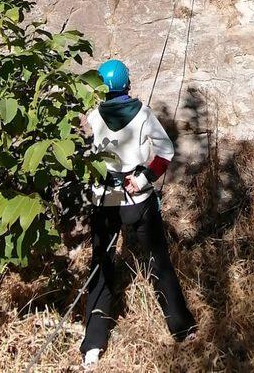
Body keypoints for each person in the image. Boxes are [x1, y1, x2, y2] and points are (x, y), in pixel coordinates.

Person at [80, 59, 196, 368]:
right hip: (138, 197)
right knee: (158, 260)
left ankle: (92, 344)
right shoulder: (143, 115)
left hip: (105, 197)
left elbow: (87, 155)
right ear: (127, 84)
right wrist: (143, 178)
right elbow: (165, 152)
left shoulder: (93, 116)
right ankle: (182, 328)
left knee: (101, 264)